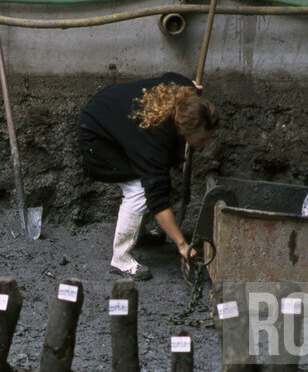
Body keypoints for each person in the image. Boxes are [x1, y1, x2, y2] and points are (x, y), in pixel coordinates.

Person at [78, 72, 219, 280]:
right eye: (203, 138)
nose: (207, 143)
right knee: (140, 189)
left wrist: (194, 90)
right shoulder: (154, 142)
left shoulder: (184, 90)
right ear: (187, 132)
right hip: (98, 135)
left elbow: (174, 77)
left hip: (115, 113)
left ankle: (138, 233)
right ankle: (121, 258)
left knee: (157, 174)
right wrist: (182, 244)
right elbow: (158, 201)